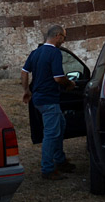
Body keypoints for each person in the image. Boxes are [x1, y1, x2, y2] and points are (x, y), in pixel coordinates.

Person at [21, 25, 77, 180]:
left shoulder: (36, 53)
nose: (63, 41)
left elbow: (24, 72)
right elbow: (58, 78)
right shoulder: (54, 53)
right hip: (48, 99)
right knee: (51, 134)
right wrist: (70, 84)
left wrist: (26, 90)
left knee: (60, 125)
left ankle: (60, 160)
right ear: (58, 36)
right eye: (64, 37)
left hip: (39, 98)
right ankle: (47, 168)